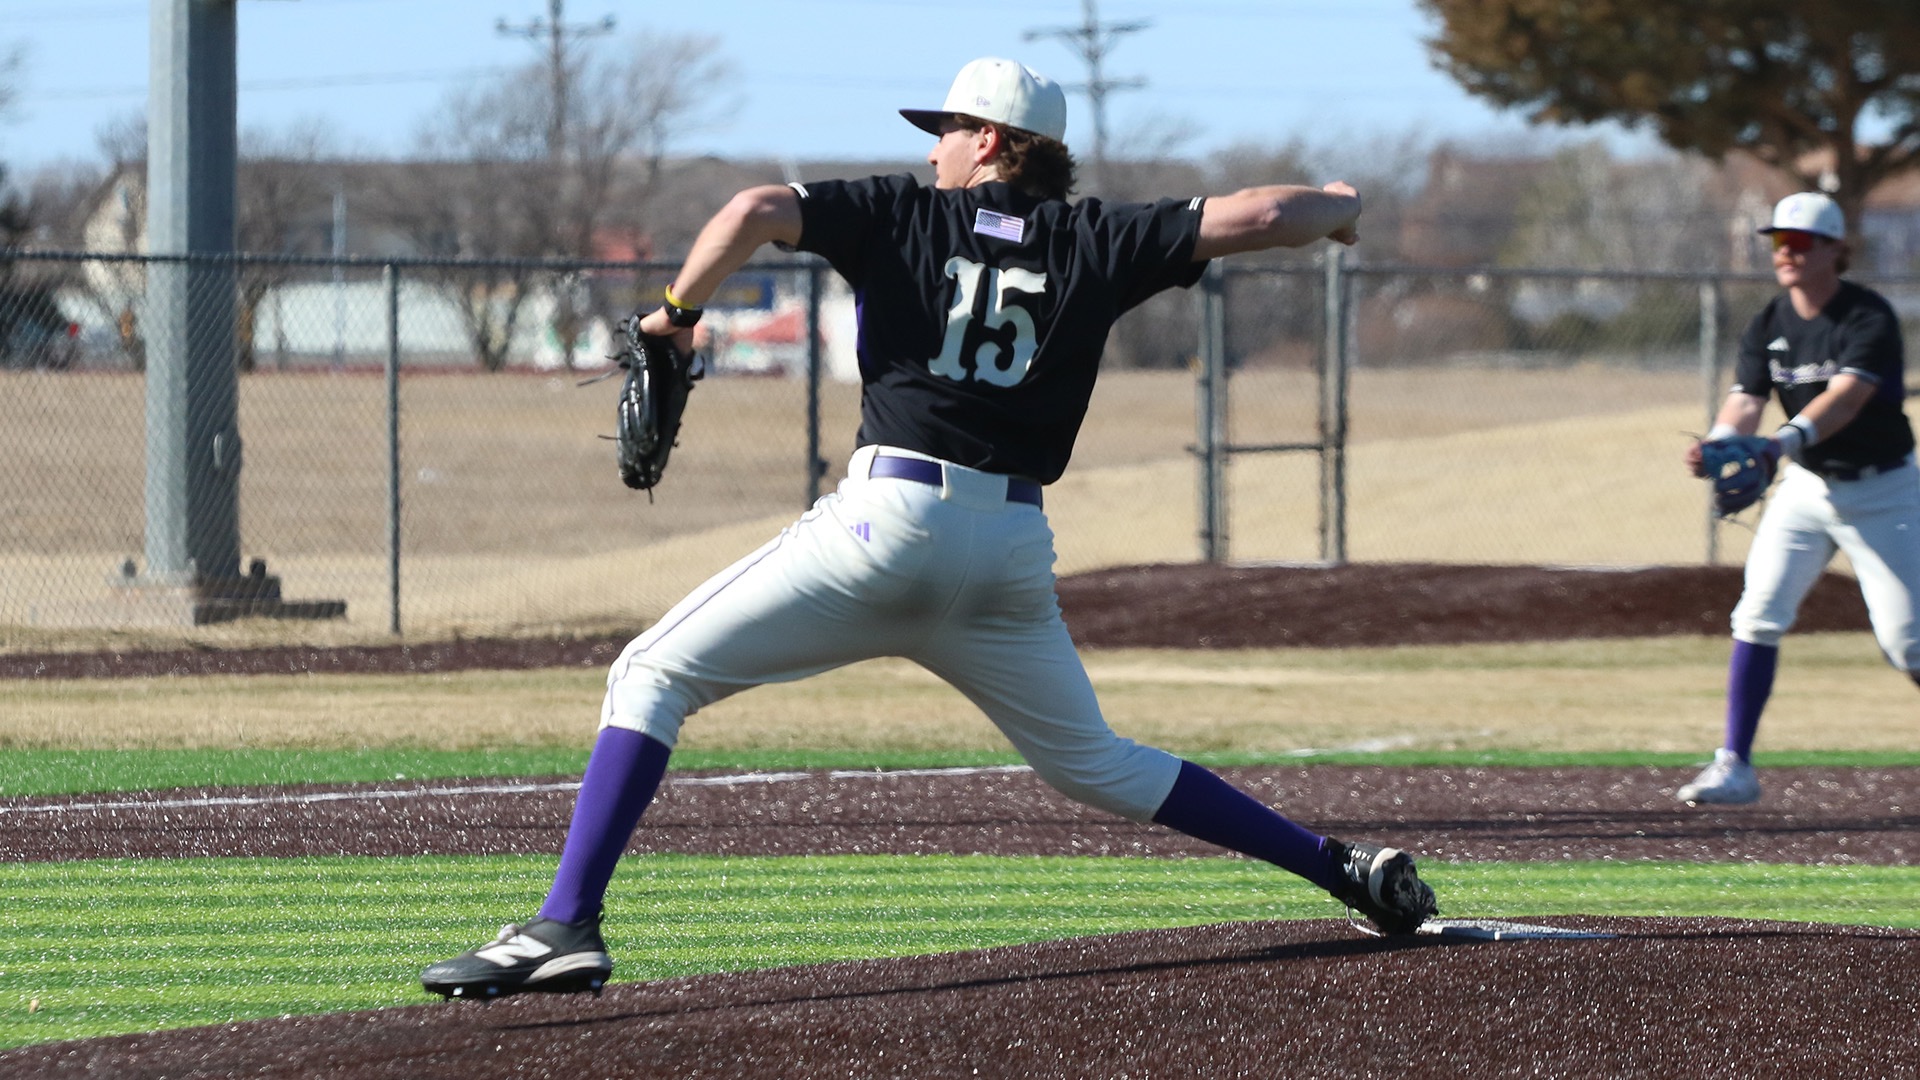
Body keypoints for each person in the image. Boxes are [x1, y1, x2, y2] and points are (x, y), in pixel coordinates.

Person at [422, 57, 1438, 1000]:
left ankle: (567, 924)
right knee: (1095, 763)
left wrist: (676, 313)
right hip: (1008, 554)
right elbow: (1268, 212)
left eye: (946, 131)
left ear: (990, 140)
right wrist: (1343, 208)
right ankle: (1340, 867)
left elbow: (752, 208)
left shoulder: (900, 213)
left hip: (887, 526)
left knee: (651, 674)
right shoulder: (1097, 236)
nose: (932, 149)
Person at [1678, 191, 1920, 805]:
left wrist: (1778, 444)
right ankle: (1735, 764)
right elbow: (1745, 399)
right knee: (1757, 613)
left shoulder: (1866, 315)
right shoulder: (1770, 321)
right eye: (1779, 242)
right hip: (1808, 488)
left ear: (1836, 249)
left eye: (1800, 242)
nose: (1785, 252)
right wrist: (1719, 444)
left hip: (1885, 490)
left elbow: (1846, 398)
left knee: (1908, 642)